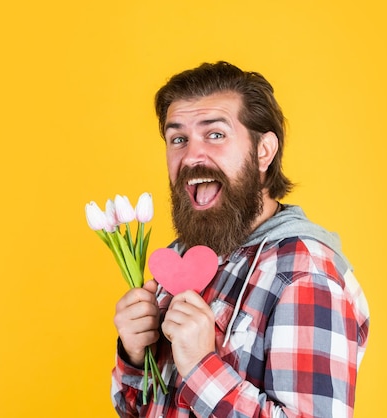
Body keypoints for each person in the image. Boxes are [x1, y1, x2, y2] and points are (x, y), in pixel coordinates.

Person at [111, 61, 370, 418]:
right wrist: (134, 356)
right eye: (178, 139)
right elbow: (135, 409)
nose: (191, 156)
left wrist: (201, 366)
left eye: (215, 134)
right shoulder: (180, 258)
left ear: (264, 151)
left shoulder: (304, 275)